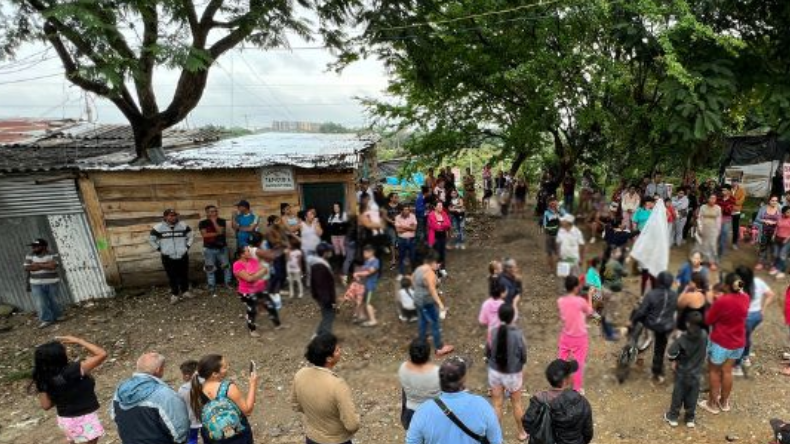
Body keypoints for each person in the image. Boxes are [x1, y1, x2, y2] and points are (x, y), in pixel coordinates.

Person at [406, 356, 503, 444]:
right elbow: (496, 440)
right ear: (464, 379)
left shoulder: (423, 411)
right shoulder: (482, 406)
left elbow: (411, 442)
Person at [32, 336, 107, 444]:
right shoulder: (72, 371)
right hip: (82, 418)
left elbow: (46, 405)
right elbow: (102, 354)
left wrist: (61, 393)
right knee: (90, 441)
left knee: (73, 439)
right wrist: (79, 340)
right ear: (59, 356)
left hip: (65, 419)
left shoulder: (43, 377)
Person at [291, 334, 360, 444]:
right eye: (337, 350)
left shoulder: (300, 374)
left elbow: (295, 405)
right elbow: (352, 425)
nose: (340, 351)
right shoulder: (337, 384)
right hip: (337, 440)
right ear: (329, 358)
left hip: (312, 438)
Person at [699, 272, 749, 415]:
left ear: (726, 286)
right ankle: (724, 402)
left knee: (714, 371)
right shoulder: (745, 298)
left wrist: (710, 301)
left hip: (721, 341)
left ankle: (712, 404)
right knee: (727, 371)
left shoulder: (723, 301)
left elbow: (708, 320)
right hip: (738, 341)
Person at [111, 353, 190, 444]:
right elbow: (180, 429)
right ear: (158, 370)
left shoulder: (120, 389)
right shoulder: (164, 394)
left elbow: (115, 416)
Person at [523, 359, 594, 444]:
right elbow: (588, 433)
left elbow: (527, 422)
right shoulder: (581, 402)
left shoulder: (538, 400)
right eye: (570, 374)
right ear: (565, 380)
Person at [190, 355, 257, 444]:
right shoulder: (228, 387)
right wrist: (253, 384)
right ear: (214, 374)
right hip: (237, 437)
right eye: (224, 367)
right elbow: (248, 410)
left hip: (212, 437)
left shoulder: (196, 388)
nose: (227, 368)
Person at [487, 304, 529, 441]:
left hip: (495, 372)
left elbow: (487, 353)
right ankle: (522, 433)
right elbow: (523, 356)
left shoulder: (492, 332)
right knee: (516, 403)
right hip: (513, 373)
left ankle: (496, 436)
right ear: (513, 317)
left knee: (497, 404)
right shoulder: (518, 334)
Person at [631, 271, 677, 384]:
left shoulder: (652, 294)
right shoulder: (674, 294)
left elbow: (642, 311)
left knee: (637, 317)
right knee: (659, 350)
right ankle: (657, 373)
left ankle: (636, 347)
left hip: (651, 324)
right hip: (666, 326)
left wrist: (632, 321)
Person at [664, 311, 707, 429]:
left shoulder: (682, 338)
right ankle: (690, 418)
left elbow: (671, 354)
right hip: (697, 372)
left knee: (678, 394)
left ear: (688, 324)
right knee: (693, 395)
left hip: (683, 372)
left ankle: (673, 417)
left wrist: (675, 360)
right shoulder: (704, 335)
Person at [733, 265, 775, 376]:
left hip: (745, 317)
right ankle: (746, 357)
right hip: (757, 316)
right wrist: (763, 309)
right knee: (746, 337)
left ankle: (737, 366)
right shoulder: (758, 281)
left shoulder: (738, 286)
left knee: (740, 340)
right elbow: (771, 295)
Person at [233, 246, 282, 337]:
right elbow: (249, 279)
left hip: (260, 288)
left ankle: (278, 325)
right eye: (247, 251)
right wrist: (257, 274)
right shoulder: (237, 264)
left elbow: (265, 270)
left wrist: (254, 274)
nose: (250, 252)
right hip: (246, 291)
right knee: (252, 310)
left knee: (270, 305)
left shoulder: (253, 260)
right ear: (242, 254)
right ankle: (252, 330)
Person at [412, 251, 454, 356]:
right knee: (435, 323)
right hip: (427, 302)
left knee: (422, 321)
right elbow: (433, 290)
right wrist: (441, 305)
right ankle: (439, 347)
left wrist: (420, 289)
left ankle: (421, 341)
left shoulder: (418, 269)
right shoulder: (430, 273)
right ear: (432, 262)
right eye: (437, 263)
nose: (438, 265)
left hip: (417, 300)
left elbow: (412, 280)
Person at [557, 275, 593, 394]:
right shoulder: (580, 301)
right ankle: (576, 388)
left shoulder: (560, 301)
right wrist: (590, 295)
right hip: (580, 337)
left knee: (561, 360)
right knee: (578, 363)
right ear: (576, 287)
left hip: (566, 335)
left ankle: (559, 383)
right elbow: (590, 312)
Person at [149, 209, 194, 304]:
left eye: (174, 215)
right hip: (167, 256)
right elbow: (151, 240)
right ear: (165, 217)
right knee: (171, 276)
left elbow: (191, 236)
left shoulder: (183, 225)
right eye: (171, 215)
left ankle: (185, 291)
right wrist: (160, 249)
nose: (173, 217)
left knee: (184, 274)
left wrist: (186, 247)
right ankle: (175, 294)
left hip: (182, 254)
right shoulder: (158, 228)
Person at [399, 339, 440, 430]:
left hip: (410, 414)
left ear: (411, 354)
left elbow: (404, 394)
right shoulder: (436, 372)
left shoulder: (403, 368)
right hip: (431, 415)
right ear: (428, 354)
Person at [24, 238, 63, 328]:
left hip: (52, 282)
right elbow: (27, 268)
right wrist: (46, 265)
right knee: (41, 303)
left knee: (54, 301)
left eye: (36, 246)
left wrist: (38, 265)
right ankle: (46, 320)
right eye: (33, 246)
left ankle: (57, 316)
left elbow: (53, 266)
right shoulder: (30, 255)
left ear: (44, 246)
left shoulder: (52, 254)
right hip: (36, 284)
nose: (33, 248)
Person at [199, 205, 232, 296]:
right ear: (207, 213)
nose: (214, 213)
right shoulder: (202, 223)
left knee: (226, 267)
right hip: (209, 249)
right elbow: (205, 235)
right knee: (210, 268)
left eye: (216, 211)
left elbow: (220, 231)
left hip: (222, 248)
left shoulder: (221, 221)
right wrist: (217, 233)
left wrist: (214, 221)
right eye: (212, 211)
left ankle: (228, 283)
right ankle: (211, 286)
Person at [310, 243, 337, 337]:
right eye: (329, 251)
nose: (331, 252)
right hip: (325, 298)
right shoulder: (320, 266)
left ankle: (320, 334)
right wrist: (329, 300)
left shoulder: (320, 263)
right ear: (325, 253)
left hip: (324, 297)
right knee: (328, 316)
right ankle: (321, 335)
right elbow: (321, 286)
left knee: (328, 316)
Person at [353, 244, 381, 327]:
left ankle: (373, 320)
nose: (363, 254)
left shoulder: (375, 261)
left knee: (368, 303)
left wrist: (357, 273)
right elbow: (364, 271)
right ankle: (362, 316)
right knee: (361, 301)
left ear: (371, 252)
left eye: (365, 252)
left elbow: (370, 271)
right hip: (364, 285)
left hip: (370, 286)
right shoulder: (367, 261)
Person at [178, 360, 202, 444]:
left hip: (191, 420)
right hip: (205, 419)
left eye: (182, 374)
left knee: (192, 440)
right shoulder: (205, 383)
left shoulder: (183, 389)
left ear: (187, 376)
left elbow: (180, 406)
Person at [756, 195, 782, 271]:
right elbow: (757, 218)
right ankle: (760, 263)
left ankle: (772, 264)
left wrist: (775, 222)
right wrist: (765, 221)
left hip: (775, 232)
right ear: (769, 201)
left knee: (773, 249)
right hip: (763, 231)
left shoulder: (779, 209)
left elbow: (782, 220)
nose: (774, 202)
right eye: (772, 200)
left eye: (776, 201)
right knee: (762, 247)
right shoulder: (763, 208)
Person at [697, 193, 722, 269]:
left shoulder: (718, 208)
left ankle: (712, 262)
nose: (712, 200)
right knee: (703, 245)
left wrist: (718, 230)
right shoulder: (703, 207)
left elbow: (719, 220)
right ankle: (702, 260)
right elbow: (699, 218)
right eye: (711, 198)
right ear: (708, 199)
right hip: (704, 228)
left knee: (712, 245)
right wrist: (700, 228)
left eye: (714, 198)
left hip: (713, 229)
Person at [543, 197, 566, 272]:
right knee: (549, 252)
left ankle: (562, 269)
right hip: (549, 235)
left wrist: (558, 210)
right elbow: (545, 224)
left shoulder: (561, 210)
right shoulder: (546, 212)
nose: (553, 204)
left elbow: (566, 217)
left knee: (560, 253)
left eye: (554, 202)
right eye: (551, 202)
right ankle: (551, 268)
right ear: (548, 204)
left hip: (559, 235)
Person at [427, 201, 452, 270]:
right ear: (435, 207)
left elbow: (448, 224)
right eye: (439, 206)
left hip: (443, 236)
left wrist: (441, 225)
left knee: (442, 253)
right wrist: (443, 225)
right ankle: (436, 270)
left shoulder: (444, 213)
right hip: (435, 237)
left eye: (441, 206)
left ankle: (442, 268)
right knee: (436, 254)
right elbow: (435, 227)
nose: (441, 207)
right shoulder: (431, 215)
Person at [395, 205, 418, 278]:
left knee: (413, 257)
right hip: (401, 239)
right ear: (401, 211)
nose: (407, 211)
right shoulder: (397, 217)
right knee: (401, 256)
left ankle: (413, 273)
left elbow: (414, 228)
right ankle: (401, 273)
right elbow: (398, 230)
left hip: (412, 239)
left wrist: (403, 227)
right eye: (405, 210)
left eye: (408, 210)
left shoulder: (412, 216)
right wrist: (409, 227)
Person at [719, 185, 736, 257]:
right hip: (717, 219)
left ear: (729, 191)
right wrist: (724, 208)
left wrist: (721, 208)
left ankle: (722, 252)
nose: (723, 192)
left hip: (726, 220)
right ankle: (719, 249)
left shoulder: (732, 199)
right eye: (722, 190)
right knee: (718, 236)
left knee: (724, 235)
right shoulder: (719, 198)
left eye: (725, 190)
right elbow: (716, 208)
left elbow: (729, 211)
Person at [731, 178, 746, 249]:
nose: (734, 183)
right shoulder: (729, 189)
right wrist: (735, 201)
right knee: (724, 227)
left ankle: (734, 243)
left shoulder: (742, 191)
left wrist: (732, 201)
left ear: (738, 183)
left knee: (735, 228)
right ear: (731, 182)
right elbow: (725, 199)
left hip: (736, 211)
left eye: (735, 182)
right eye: (733, 182)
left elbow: (740, 202)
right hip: (727, 211)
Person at [775, 206, 790, 279]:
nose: (789, 213)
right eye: (787, 212)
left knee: (782, 255)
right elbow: (777, 227)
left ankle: (782, 271)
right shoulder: (780, 217)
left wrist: (786, 239)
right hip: (778, 238)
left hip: (787, 240)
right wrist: (774, 235)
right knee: (776, 254)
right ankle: (777, 268)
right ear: (783, 212)